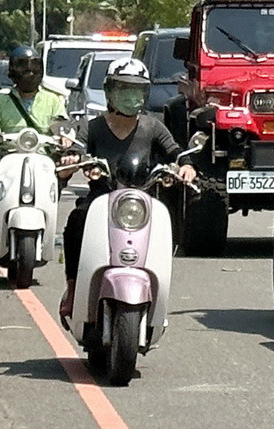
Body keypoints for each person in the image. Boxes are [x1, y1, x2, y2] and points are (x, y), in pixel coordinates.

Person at [57, 58, 198, 323]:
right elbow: (75, 149)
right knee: (76, 221)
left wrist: (186, 167)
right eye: (123, 88)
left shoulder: (152, 127)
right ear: (109, 91)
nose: (130, 95)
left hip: (141, 204)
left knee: (165, 225)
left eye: (137, 89)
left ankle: (158, 291)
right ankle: (74, 287)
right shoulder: (93, 127)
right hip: (100, 200)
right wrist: (71, 160)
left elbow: (175, 152)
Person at [0, 45, 68, 209]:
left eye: (34, 68)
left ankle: (51, 204)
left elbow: (61, 125)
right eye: (23, 68)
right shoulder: (1, 101)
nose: (29, 73)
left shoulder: (53, 100)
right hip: (8, 156)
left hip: (43, 156)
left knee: (65, 165)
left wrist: (64, 136)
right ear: (13, 72)